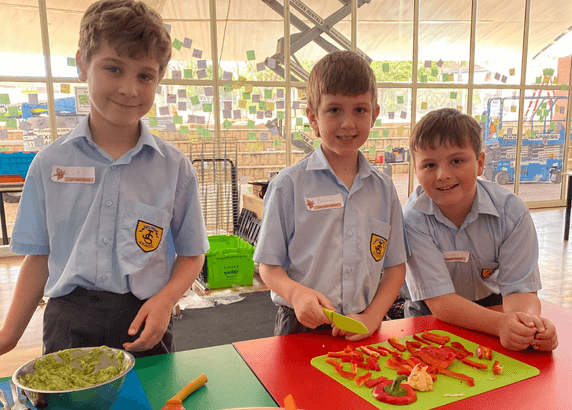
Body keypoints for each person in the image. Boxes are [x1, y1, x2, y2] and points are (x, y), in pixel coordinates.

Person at [0, 0, 209, 359]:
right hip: (69, 321)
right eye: (113, 69)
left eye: (145, 75)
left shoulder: (174, 168)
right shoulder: (48, 164)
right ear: (83, 63)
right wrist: (9, 335)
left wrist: (166, 299)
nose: (129, 89)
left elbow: (192, 254)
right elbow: (38, 258)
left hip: (146, 319)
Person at [254, 50, 407, 341]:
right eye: (334, 110)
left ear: (374, 114)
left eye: (359, 110)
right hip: (300, 326)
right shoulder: (288, 186)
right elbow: (269, 267)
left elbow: (396, 268)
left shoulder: (384, 189)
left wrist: (373, 316)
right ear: (313, 117)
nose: (348, 123)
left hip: (364, 323)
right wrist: (296, 293)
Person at [401, 107, 558, 351]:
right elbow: (441, 303)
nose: (443, 175)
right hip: (429, 313)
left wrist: (528, 325)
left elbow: (520, 290)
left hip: (494, 306)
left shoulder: (511, 212)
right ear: (416, 172)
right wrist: (501, 325)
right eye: (430, 165)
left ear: (480, 163)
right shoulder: (413, 219)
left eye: (456, 161)